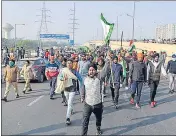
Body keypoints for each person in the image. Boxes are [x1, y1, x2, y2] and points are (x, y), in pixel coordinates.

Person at [81, 60, 109, 136]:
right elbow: (82, 88)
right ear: (88, 71)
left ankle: (98, 128)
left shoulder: (99, 77)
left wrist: (107, 61)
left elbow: (105, 71)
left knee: (98, 119)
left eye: (93, 70)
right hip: (88, 104)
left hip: (98, 104)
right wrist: (82, 96)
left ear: (95, 71)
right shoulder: (84, 79)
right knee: (85, 122)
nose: (91, 71)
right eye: (90, 70)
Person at [59, 59, 83, 125]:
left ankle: (68, 118)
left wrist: (84, 85)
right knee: (68, 101)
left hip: (73, 89)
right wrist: (63, 79)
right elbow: (60, 78)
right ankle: (71, 110)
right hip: (66, 89)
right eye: (68, 63)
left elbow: (80, 79)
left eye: (70, 63)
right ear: (66, 64)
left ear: (72, 64)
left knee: (69, 103)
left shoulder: (75, 72)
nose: (69, 64)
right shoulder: (64, 71)